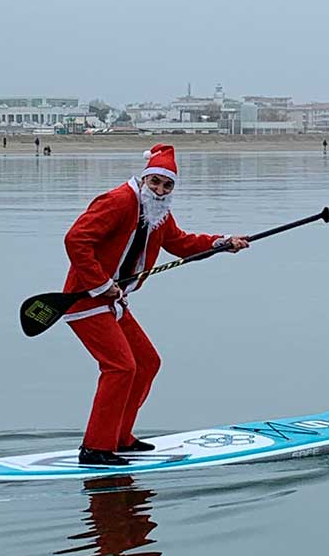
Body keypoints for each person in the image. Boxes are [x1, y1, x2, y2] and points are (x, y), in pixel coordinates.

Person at [62, 144, 249, 466]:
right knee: (120, 367)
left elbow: (180, 243)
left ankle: (120, 437)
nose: (161, 190)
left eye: (168, 185)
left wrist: (220, 244)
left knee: (147, 362)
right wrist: (102, 284)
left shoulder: (158, 212)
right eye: (156, 183)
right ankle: (95, 448)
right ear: (144, 179)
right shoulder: (119, 201)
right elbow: (76, 240)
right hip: (86, 300)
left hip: (113, 302)